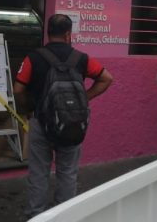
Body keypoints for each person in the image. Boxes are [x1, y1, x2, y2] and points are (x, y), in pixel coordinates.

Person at [14, 14, 114, 218]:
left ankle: (36, 215)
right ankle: (65, 215)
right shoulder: (81, 58)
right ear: (69, 34)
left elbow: (18, 90)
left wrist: (28, 109)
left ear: (48, 32)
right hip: (72, 123)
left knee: (39, 173)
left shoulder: (33, 57)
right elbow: (107, 78)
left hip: (40, 122)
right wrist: (85, 98)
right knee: (68, 173)